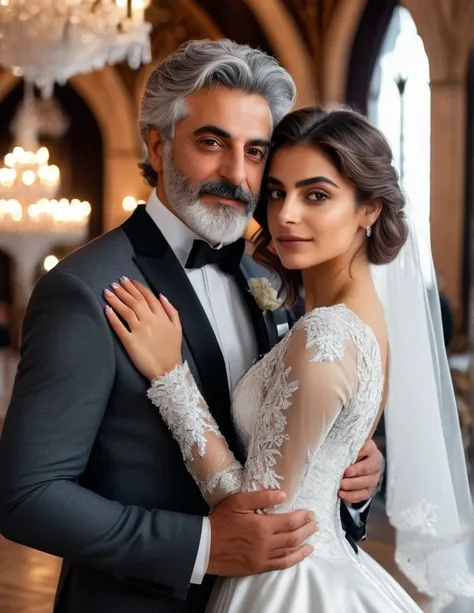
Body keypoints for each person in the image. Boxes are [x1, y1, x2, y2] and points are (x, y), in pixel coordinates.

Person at [0, 41, 383, 613]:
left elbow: (285, 435)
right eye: (212, 142)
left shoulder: (271, 276)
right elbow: (26, 497)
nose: (236, 174)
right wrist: (204, 546)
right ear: (157, 144)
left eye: (256, 152)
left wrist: (350, 472)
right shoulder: (85, 290)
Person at [104, 107, 474, 612]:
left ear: (369, 208)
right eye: (277, 192)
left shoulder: (327, 334)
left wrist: (170, 376)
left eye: (316, 195)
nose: (285, 215)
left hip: (286, 583)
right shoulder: (355, 317)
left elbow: (256, 514)